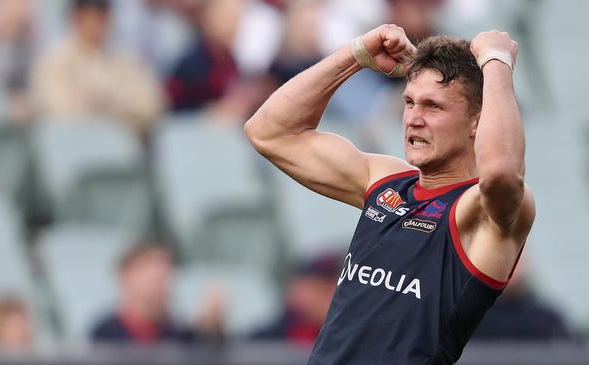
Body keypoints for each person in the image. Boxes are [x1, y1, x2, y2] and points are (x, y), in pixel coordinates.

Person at [245, 24, 535, 364]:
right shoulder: (385, 180)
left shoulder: (477, 212)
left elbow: (501, 171)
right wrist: (355, 55)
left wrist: (496, 61)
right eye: (409, 102)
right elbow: (268, 132)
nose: (413, 118)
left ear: (478, 121)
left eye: (433, 107)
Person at [30, 0, 163, 139]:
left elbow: (150, 107)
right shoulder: (55, 61)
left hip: (127, 147)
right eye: (89, 16)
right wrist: (118, 113)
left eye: (102, 16)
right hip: (76, 148)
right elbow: (63, 113)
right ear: (75, 18)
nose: (96, 23)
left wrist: (101, 104)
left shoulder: (126, 61)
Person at [91, 243, 220, 344]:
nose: (160, 287)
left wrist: (212, 331)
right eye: (152, 279)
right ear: (126, 277)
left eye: (165, 277)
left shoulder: (182, 335)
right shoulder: (105, 335)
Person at [250, 252, 340, 345]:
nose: (328, 298)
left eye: (329, 289)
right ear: (293, 290)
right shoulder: (262, 342)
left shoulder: (345, 338)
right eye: (319, 290)